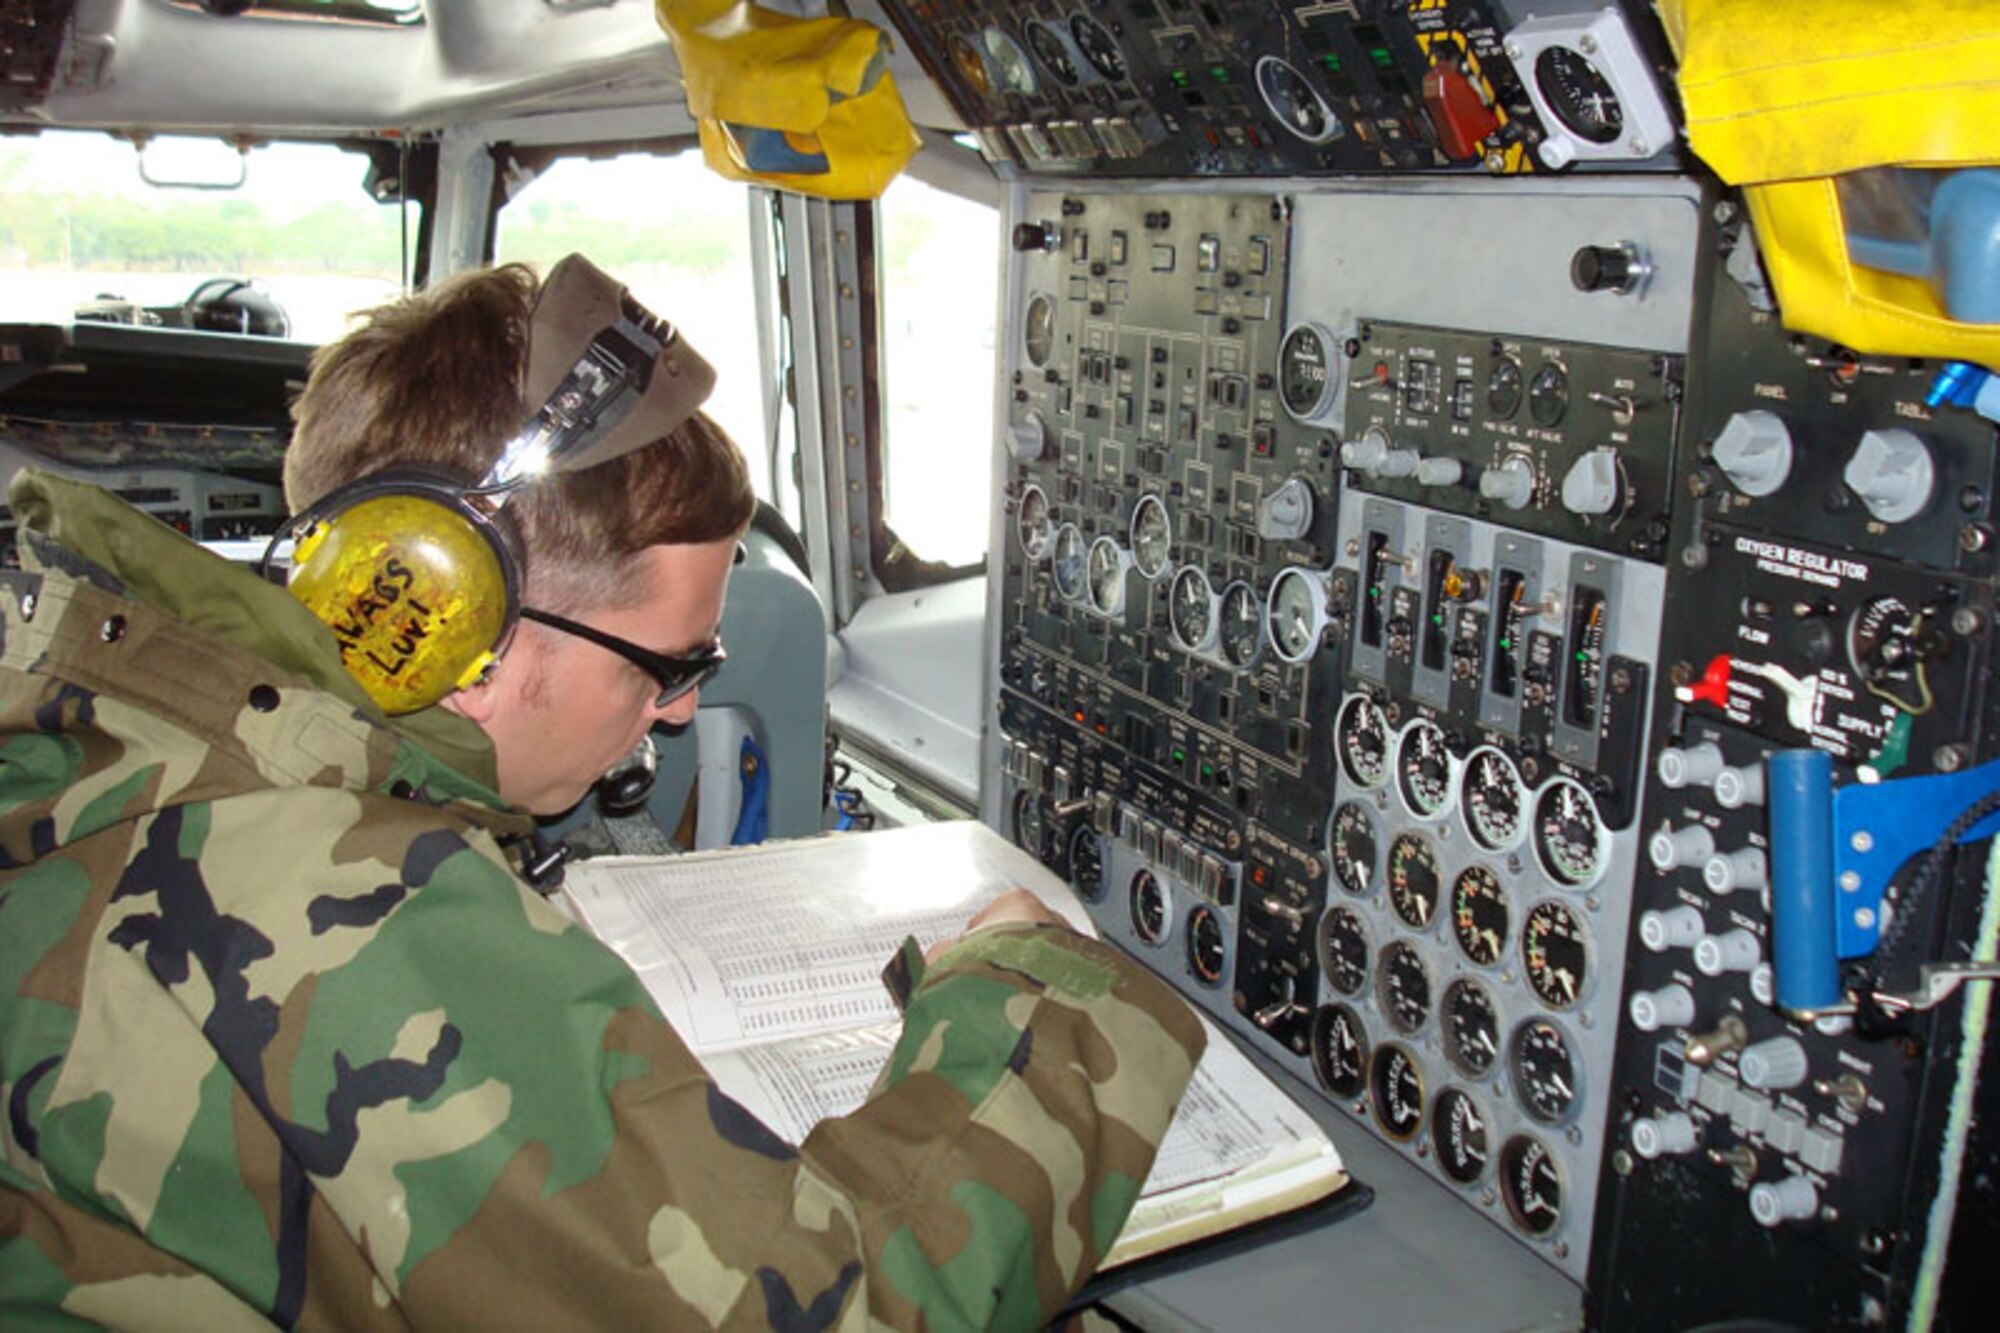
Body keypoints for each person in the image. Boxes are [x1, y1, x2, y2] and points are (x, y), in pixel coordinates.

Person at [0, 259, 1204, 1328]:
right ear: (456, 626)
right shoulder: (354, 899)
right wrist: (1037, 995)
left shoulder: (127, 730)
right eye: (670, 664)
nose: (679, 709)